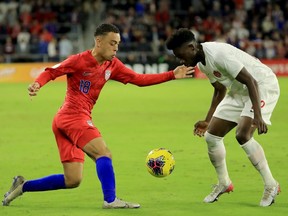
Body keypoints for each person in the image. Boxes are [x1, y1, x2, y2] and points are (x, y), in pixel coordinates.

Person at [2, 24, 194, 209]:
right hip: (72, 116)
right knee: (103, 153)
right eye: (112, 43)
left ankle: (22, 186)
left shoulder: (113, 65)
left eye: (118, 43)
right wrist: (37, 84)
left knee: (73, 180)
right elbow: (52, 72)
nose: (116, 48)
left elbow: (138, 79)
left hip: (66, 120)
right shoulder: (78, 60)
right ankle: (110, 200)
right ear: (99, 41)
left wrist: (171, 75)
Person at [166, 28, 280, 207]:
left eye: (181, 55)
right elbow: (220, 90)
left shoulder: (218, 55)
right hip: (238, 91)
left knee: (243, 135)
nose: (181, 60)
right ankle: (224, 183)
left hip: (261, 86)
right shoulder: (202, 63)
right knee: (212, 136)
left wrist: (257, 115)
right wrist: (207, 120)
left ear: (191, 47)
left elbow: (251, 81)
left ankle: (271, 184)